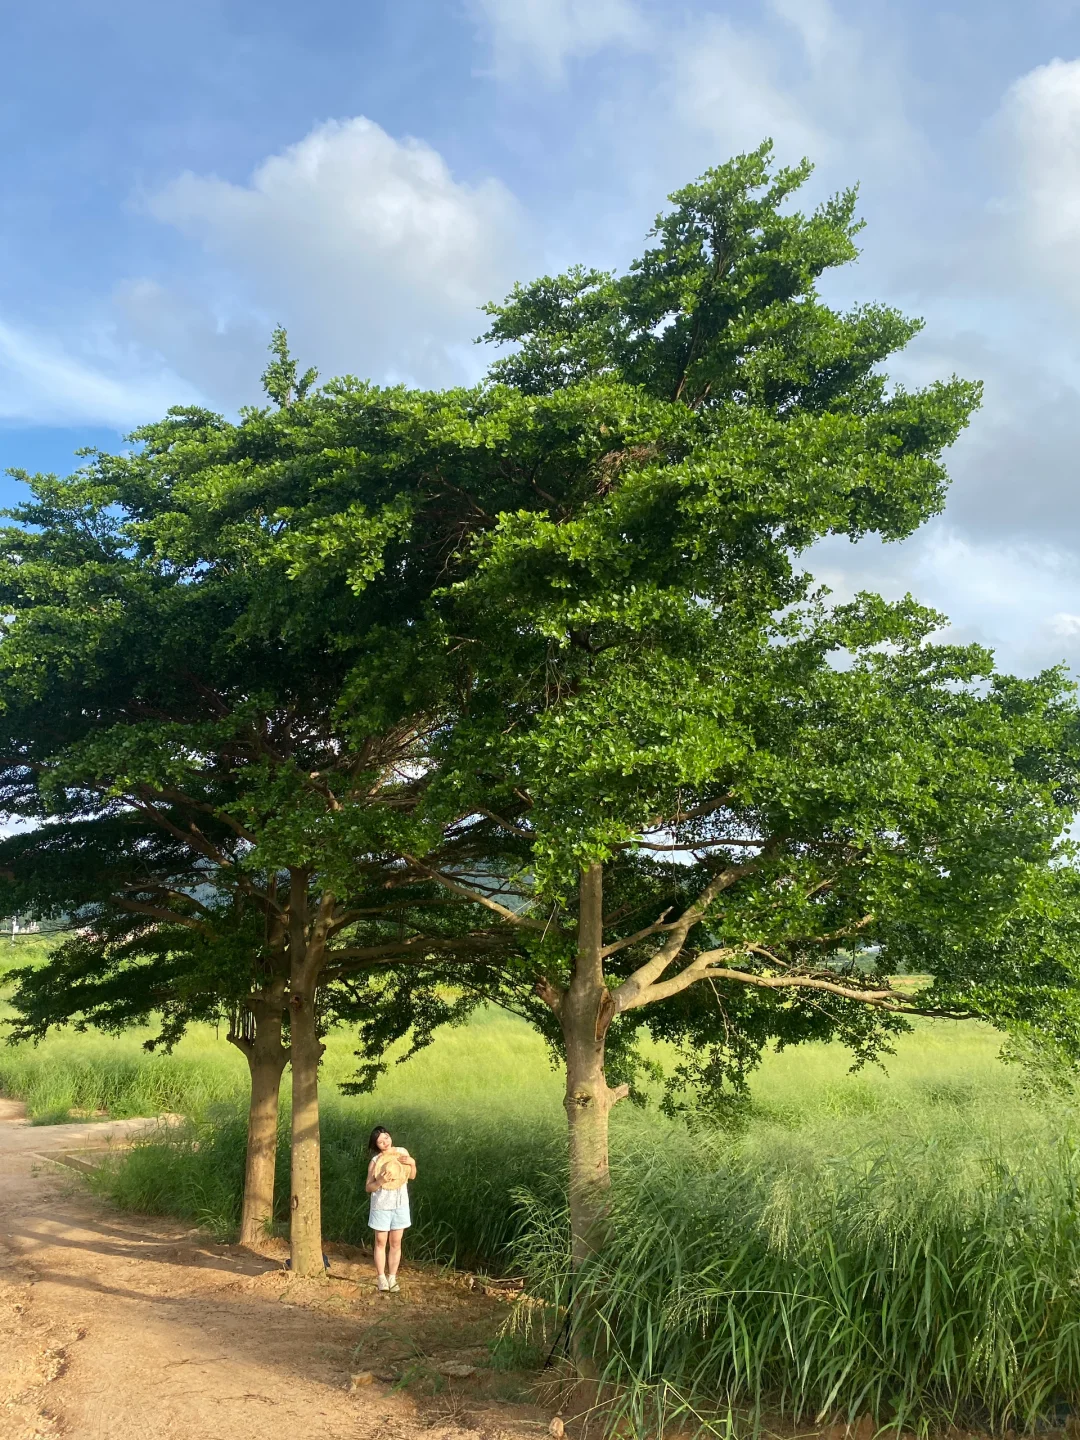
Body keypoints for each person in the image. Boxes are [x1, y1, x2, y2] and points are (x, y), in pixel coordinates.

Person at [365, 1125, 417, 1293]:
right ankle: (381, 1277)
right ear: (376, 1145)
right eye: (380, 1142)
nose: (385, 1142)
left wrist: (412, 1163)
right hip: (381, 1206)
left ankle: (392, 1277)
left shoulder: (402, 1152)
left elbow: (412, 1175)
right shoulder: (375, 1162)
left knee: (396, 1242)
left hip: (400, 1205)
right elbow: (368, 1188)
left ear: (390, 1137)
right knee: (380, 1242)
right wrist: (379, 1181)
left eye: (386, 1138)